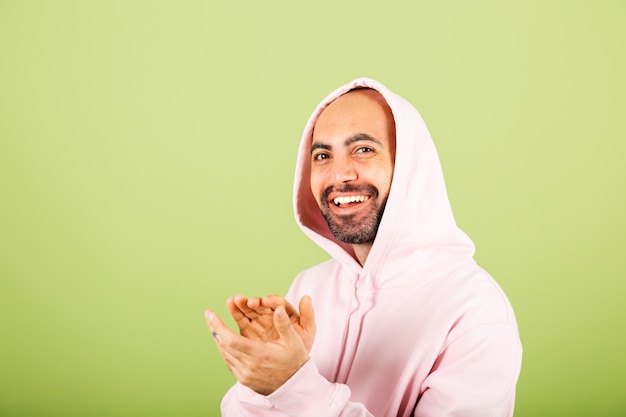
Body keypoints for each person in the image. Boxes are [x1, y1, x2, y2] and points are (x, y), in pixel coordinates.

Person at [205, 77, 522, 416]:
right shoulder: (310, 287)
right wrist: (262, 383)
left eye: (363, 149)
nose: (339, 174)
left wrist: (293, 383)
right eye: (323, 155)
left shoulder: (476, 313)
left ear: (410, 167)